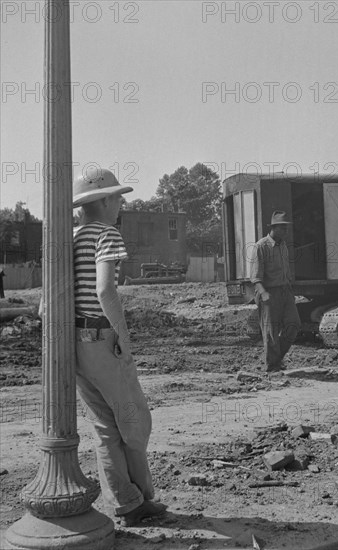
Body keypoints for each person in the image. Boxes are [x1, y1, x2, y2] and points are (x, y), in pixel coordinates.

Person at [72, 168, 166, 527]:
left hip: (76, 344)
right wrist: (122, 339)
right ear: (105, 200)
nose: (122, 202)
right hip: (100, 339)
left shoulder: (73, 235)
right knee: (134, 420)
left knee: (104, 427)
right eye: (118, 196)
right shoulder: (106, 234)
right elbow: (105, 290)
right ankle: (140, 497)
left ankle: (126, 501)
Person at [250, 210, 301, 372]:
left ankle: (275, 358)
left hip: (285, 292)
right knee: (271, 331)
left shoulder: (283, 245)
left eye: (286, 228)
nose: (286, 232)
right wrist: (264, 294)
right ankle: (273, 367)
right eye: (283, 228)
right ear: (274, 228)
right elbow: (255, 277)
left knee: (294, 325)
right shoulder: (261, 246)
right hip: (268, 293)